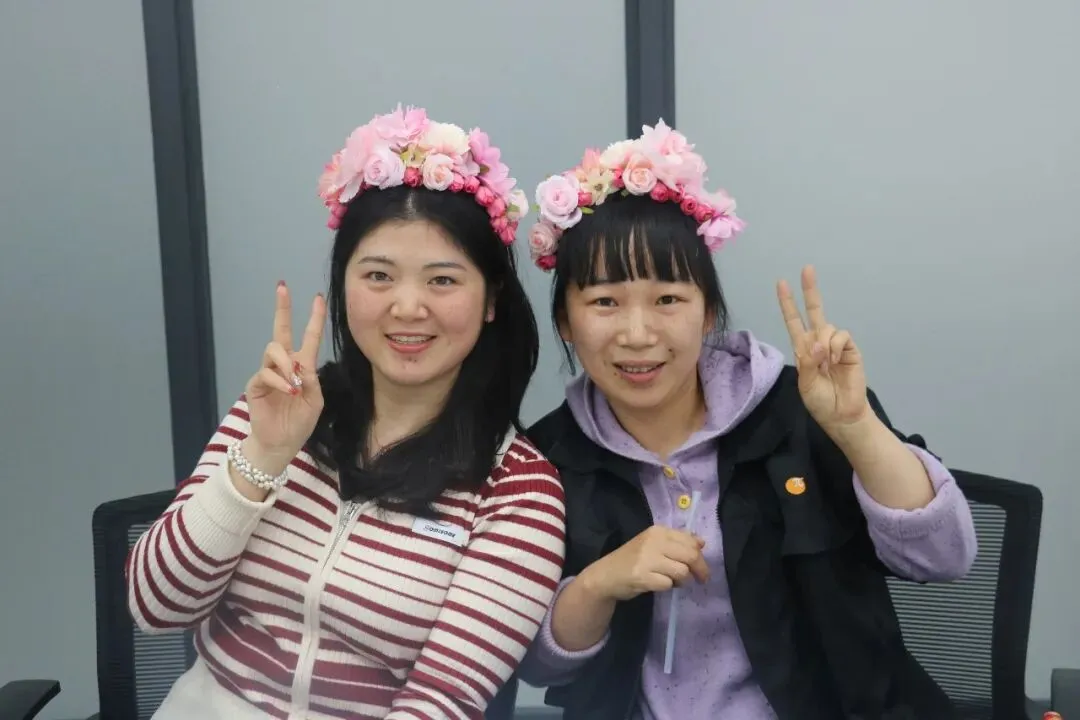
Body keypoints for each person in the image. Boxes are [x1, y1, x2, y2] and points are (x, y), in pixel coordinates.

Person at [515, 121, 977, 719]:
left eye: (668, 299)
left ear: (708, 313)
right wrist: (598, 584)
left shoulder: (800, 409)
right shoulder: (545, 459)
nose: (638, 334)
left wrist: (856, 428)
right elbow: (541, 666)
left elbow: (946, 557)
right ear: (565, 323)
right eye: (605, 302)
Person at [126, 106, 566, 720]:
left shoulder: (518, 491)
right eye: (378, 276)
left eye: (442, 281)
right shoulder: (282, 406)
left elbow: (443, 702)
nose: (407, 307)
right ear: (344, 285)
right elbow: (155, 607)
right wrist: (263, 456)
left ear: (491, 300)